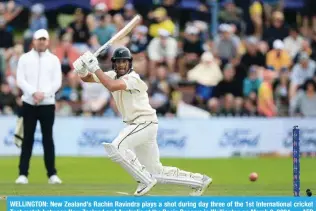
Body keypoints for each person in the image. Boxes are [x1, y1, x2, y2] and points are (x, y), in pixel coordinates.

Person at [73, 47, 212, 196]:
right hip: (139, 125)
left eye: (124, 62)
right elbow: (87, 78)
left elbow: (111, 86)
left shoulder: (133, 79)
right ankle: (199, 180)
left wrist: (94, 67)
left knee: (116, 148)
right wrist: (81, 69)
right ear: (114, 64)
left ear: (129, 63)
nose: (121, 65)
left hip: (143, 122)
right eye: (118, 62)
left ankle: (144, 180)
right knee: (156, 172)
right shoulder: (112, 75)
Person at [15, 29, 62, 184]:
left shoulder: (54, 59)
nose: (41, 42)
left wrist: (43, 94)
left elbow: (57, 82)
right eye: (38, 39)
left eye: (44, 39)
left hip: (47, 104)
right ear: (33, 41)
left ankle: (52, 174)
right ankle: (23, 174)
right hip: (29, 103)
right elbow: (20, 80)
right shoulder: (24, 58)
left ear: (47, 41)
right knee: (27, 138)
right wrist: (34, 92)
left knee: (48, 139)